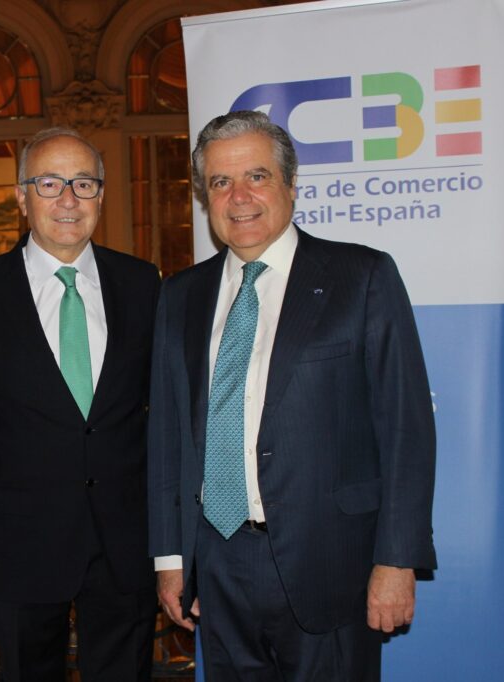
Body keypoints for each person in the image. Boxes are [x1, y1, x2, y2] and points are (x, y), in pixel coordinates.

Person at [147, 111, 437, 681]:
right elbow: (167, 440)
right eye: (221, 182)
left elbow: (406, 430)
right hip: (217, 564)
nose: (239, 197)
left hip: (331, 563)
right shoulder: (180, 295)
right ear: (205, 197)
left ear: (290, 184)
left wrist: (397, 560)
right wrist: (170, 559)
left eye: (256, 176)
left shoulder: (362, 277)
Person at [0, 127, 160, 682]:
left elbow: (166, 424)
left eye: (83, 183)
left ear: (101, 196)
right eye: (49, 183)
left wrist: (172, 552)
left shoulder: (143, 285)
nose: (68, 199)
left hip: (126, 548)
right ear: (21, 197)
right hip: (18, 552)